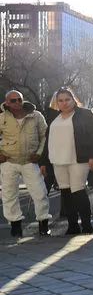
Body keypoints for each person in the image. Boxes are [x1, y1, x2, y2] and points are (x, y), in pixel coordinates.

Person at [40, 87, 93, 234]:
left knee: (78, 190)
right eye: (60, 100)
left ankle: (87, 225)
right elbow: (47, 141)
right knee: (65, 193)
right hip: (58, 160)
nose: (64, 103)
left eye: (67, 99)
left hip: (79, 159)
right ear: (57, 103)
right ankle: (72, 225)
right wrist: (43, 162)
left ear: (74, 99)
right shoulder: (54, 117)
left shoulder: (85, 114)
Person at [0, 90, 52, 237]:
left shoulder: (36, 116)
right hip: (9, 161)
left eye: (19, 99)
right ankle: (15, 226)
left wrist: (39, 154)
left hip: (30, 161)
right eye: (13, 101)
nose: (17, 103)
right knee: (9, 194)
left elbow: (44, 136)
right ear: (7, 103)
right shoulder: (2, 117)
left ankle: (43, 224)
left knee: (40, 192)